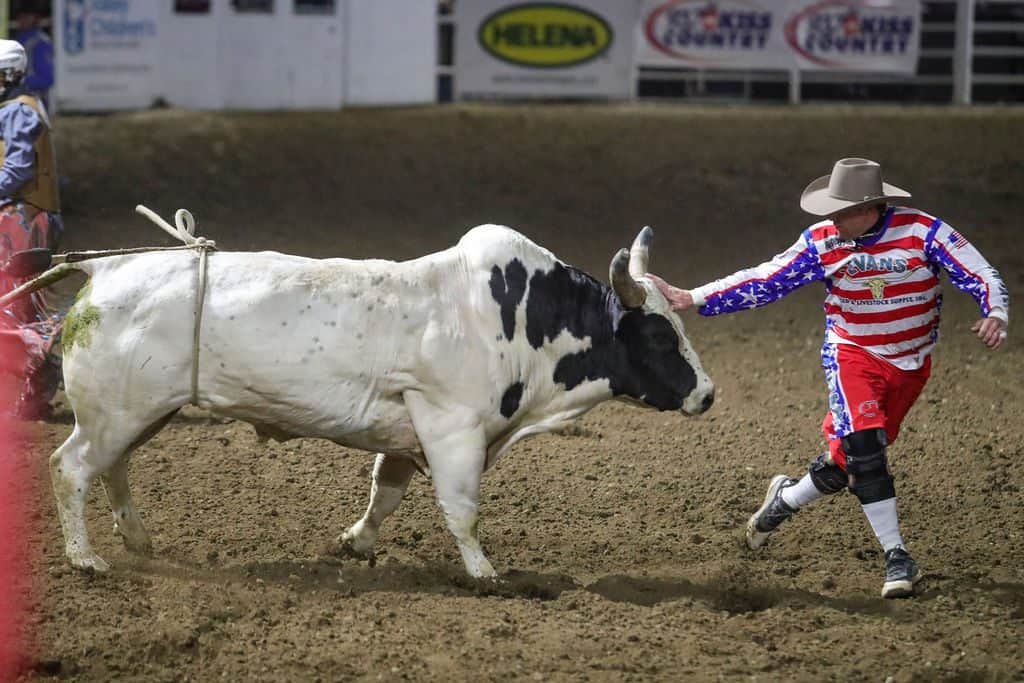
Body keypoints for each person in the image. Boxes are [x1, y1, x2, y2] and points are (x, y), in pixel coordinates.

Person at [649, 158, 1009, 599]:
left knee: (848, 462)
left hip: (910, 365)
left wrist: (994, 312)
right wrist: (694, 297)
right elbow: (769, 277)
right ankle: (898, 558)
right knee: (864, 446)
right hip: (851, 353)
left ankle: (780, 503)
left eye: (841, 212)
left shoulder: (924, 232)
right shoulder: (823, 242)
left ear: (871, 208)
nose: (832, 220)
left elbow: (979, 271)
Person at [0, 38, 62, 420]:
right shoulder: (16, 108)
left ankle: (35, 388)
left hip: (24, 219)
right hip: (20, 216)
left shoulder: (18, 112)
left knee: (19, 301)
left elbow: (19, 170)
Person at [12, 2, 54, 110]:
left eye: (27, 16)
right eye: (20, 16)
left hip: (35, 102)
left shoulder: (40, 42)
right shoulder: (17, 40)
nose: (22, 20)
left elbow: (46, 79)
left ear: (35, 18)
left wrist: (16, 82)